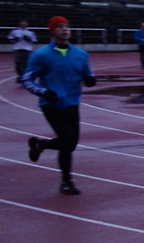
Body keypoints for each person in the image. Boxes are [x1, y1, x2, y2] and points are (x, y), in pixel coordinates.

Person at [21, 16, 96, 195]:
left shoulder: (80, 54)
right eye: (60, 27)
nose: (65, 30)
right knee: (67, 141)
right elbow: (26, 79)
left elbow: (87, 74)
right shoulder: (41, 55)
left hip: (72, 103)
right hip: (51, 104)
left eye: (67, 26)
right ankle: (66, 181)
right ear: (52, 31)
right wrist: (43, 92)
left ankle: (40, 145)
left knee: (71, 143)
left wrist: (90, 80)